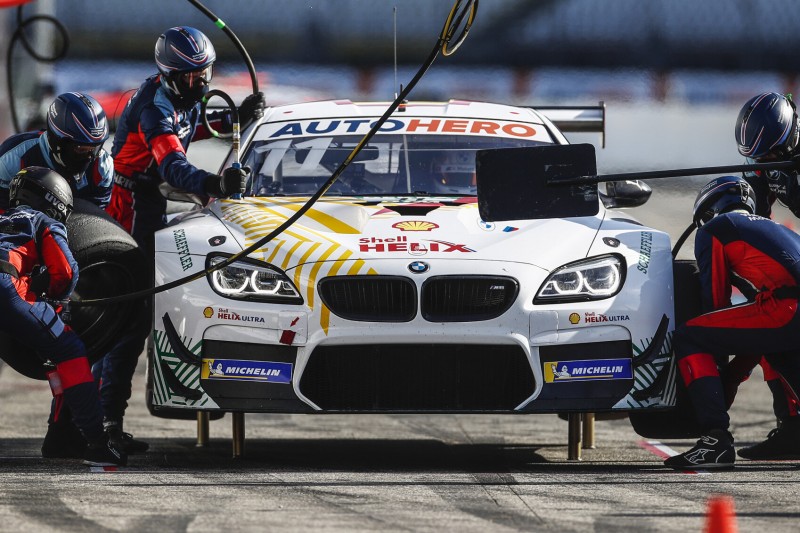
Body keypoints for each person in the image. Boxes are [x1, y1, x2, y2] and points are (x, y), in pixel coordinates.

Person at [0, 92, 146, 458]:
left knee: (85, 332)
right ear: (57, 140)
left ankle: (65, 432)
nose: (89, 155)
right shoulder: (15, 160)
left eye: (94, 147)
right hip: (24, 272)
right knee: (67, 348)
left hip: (30, 264)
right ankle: (95, 437)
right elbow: (66, 268)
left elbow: (89, 227)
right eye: (80, 148)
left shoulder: (102, 167)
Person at [665, 176, 800, 469]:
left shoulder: (716, 229)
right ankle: (793, 432)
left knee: (691, 336)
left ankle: (715, 439)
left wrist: (715, 370)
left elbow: (715, 298)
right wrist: (732, 374)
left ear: (709, 209)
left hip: (787, 308)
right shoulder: (775, 228)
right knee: (772, 346)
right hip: (788, 308)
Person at [0, 167, 126, 466]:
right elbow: (66, 273)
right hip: (5, 287)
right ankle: (96, 444)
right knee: (68, 350)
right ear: (56, 202)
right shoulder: (41, 220)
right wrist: (51, 297)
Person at [107, 25, 266, 252]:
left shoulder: (178, 95)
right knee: (140, 268)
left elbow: (188, 125)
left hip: (151, 191)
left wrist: (234, 118)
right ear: (170, 76)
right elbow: (174, 168)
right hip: (129, 203)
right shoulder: (154, 112)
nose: (201, 85)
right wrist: (218, 184)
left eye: (204, 75)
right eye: (192, 78)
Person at [730, 91, 800, 459]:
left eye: (770, 155)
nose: (762, 162)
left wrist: (792, 184)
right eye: (756, 157)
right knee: (770, 323)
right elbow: (757, 222)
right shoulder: (764, 163)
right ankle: (792, 426)